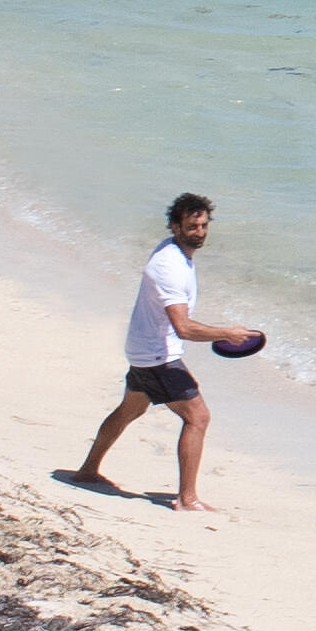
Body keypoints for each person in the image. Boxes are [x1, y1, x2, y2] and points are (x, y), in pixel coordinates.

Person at [75, 193, 260, 511]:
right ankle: (187, 499)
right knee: (198, 417)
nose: (199, 232)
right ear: (175, 226)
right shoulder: (170, 266)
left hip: (143, 349)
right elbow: (183, 328)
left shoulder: (174, 251)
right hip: (157, 356)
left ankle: (87, 470)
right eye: (191, 226)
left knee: (130, 410)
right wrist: (227, 333)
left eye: (203, 225)